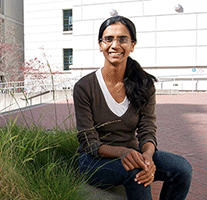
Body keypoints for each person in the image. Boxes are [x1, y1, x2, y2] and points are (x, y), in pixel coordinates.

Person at [73, 15, 192, 200]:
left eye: (123, 39)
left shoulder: (144, 83)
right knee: (135, 170)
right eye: (109, 39)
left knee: (182, 168)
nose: (115, 45)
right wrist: (124, 152)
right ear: (100, 44)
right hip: (94, 161)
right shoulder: (84, 87)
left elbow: (147, 129)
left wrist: (148, 156)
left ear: (132, 45)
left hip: (134, 154)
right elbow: (89, 142)